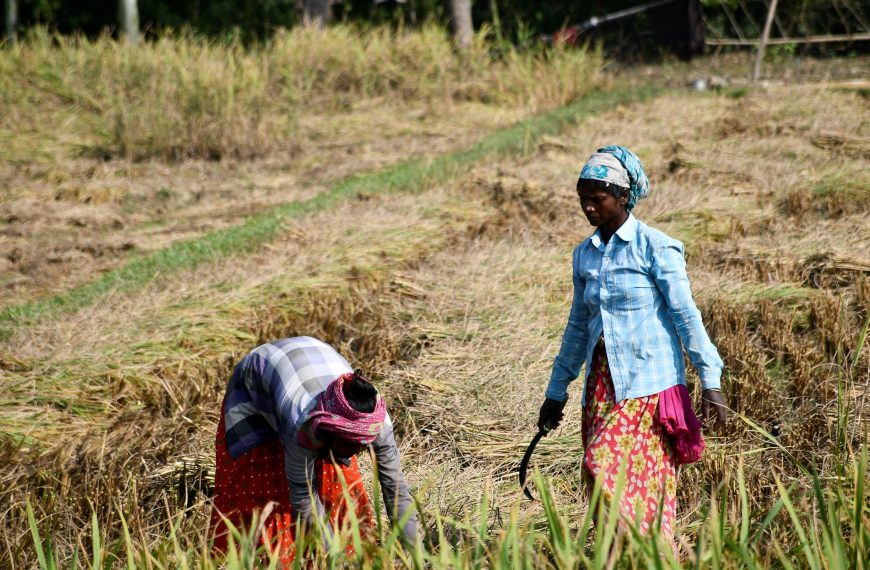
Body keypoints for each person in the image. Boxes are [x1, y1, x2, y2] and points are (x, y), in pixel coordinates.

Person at [536, 145, 727, 547]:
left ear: (623, 196)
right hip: (602, 387)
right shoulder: (584, 255)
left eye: (597, 199)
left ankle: (654, 553)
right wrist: (556, 393)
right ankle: (630, 556)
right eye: (582, 199)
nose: (588, 208)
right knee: (606, 489)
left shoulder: (655, 247)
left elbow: (685, 315)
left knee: (605, 464)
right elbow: (577, 327)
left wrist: (710, 379)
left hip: (648, 386)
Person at [209, 336, 417, 564]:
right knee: (268, 490)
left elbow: (395, 487)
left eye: (362, 445)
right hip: (257, 381)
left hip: (310, 363)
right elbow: (303, 498)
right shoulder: (300, 421)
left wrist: (408, 555)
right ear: (327, 429)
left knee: (339, 486)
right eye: (349, 444)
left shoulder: (378, 423)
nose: (356, 451)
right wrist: (335, 560)